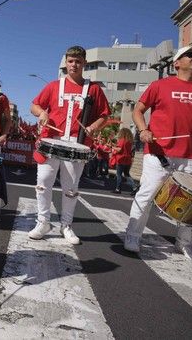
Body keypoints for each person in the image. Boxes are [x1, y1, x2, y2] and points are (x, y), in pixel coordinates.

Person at [124, 43, 192, 262]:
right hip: (159, 154)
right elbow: (138, 111)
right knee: (146, 195)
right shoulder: (159, 85)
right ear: (177, 63)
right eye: (191, 54)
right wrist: (143, 130)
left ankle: (184, 244)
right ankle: (132, 236)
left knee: (191, 204)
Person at [28, 46, 110, 244]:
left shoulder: (94, 89)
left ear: (84, 64)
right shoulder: (54, 86)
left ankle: (66, 225)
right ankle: (43, 222)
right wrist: (42, 113)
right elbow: (34, 106)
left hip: (77, 143)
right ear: (66, 63)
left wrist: (93, 126)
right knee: (43, 183)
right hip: (51, 141)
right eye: (71, 61)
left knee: (70, 188)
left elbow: (104, 115)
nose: (74, 65)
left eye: (78, 61)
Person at [111, 127, 138, 194]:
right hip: (128, 159)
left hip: (121, 159)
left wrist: (112, 147)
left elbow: (119, 149)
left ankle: (118, 189)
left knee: (119, 174)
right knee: (127, 174)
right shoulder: (129, 141)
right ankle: (134, 187)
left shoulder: (122, 140)